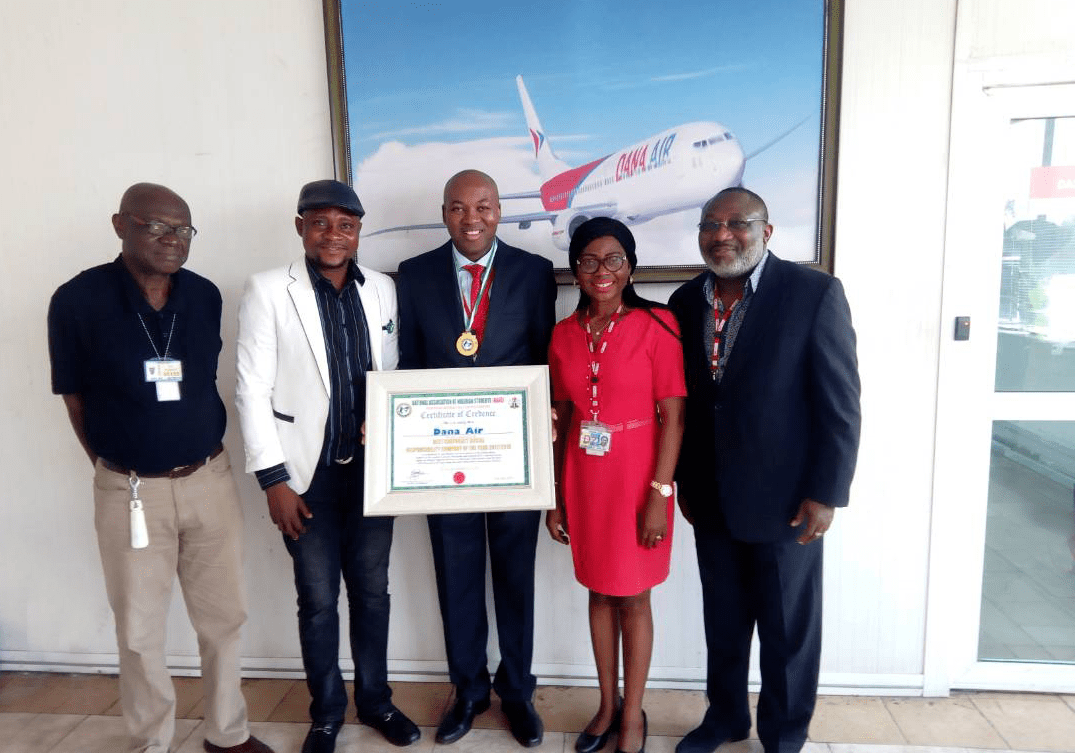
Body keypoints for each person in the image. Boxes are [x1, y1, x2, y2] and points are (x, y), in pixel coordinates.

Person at [47, 183, 272, 753]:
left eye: (184, 230)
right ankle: (152, 740)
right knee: (140, 631)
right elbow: (73, 397)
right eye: (158, 227)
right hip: (130, 491)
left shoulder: (204, 296)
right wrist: (114, 465)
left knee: (224, 619)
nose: (173, 240)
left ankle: (228, 733)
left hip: (209, 481)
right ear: (120, 224)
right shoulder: (76, 300)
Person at [668, 187, 861, 753]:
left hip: (788, 504)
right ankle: (725, 717)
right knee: (723, 627)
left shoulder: (813, 294)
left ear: (767, 231)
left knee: (786, 634)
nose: (722, 234)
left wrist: (826, 492)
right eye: (710, 224)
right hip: (710, 498)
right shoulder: (683, 303)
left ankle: (783, 735)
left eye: (738, 223)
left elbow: (841, 402)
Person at [234, 180, 418, 753]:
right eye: (320, 223)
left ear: (359, 230)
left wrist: (388, 426)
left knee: (372, 593)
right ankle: (326, 712)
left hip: (372, 474)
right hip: (304, 477)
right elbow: (250, 390)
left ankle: (377, 702)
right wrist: (273, 481)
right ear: (300, 228)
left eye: (346, 224)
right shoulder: (268, 290)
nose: (333, 234)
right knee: (316, 598)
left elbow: (394, 372)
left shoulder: (384, 290)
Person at [395, 169, 557, 747]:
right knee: (456, 577)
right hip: (445, 459)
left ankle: (517, 693)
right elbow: (408, 365)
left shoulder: (535, 273)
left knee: (515, 578)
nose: (472, 218)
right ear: (444, 213)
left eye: (483, 206)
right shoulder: (413, 277)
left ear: (498, 211)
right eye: (459, 207)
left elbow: (543, 359)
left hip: (511, 456)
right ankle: (467, 691)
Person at [545, 218, 686, 753]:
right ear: (575, 270)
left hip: (639, 478)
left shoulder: (659, 325)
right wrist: (555, 496)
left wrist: (660, 494)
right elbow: (562, 419)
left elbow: (674, 417)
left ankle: (633, 714)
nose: (602, 271)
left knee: (633, 596)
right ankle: (605, 705)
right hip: (586, 476)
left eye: (614, 260)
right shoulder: (561, 335)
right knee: (599, 592)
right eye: (589, 261)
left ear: (631, 266)